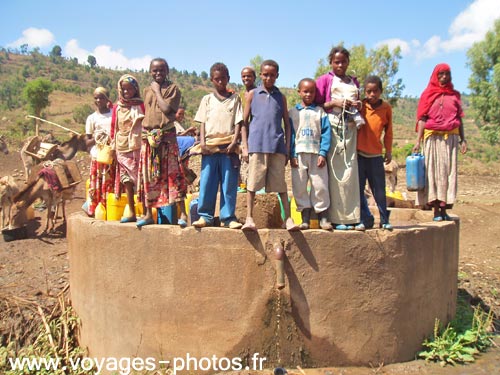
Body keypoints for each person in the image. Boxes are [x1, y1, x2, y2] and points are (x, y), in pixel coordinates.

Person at [241, 59, 298, 232]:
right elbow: (244, 123)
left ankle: (287, 219)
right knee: (252, 184)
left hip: (277, 147)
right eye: (265, 74)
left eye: (272, 75)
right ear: (260, 75)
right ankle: (249, 218)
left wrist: (287, 148)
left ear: (277, 76)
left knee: (280, 185)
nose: (268, 78)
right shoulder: (252, 95)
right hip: (257, 146)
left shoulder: (281, 97)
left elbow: (287, 125)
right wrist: (244, 146)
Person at [412, 63, 467, 221]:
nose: (444, 77)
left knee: (448, 173)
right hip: (432, 138)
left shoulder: (454, 95)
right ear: (435, 76)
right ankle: (436, 209)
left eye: (447, 74)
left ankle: (444, 208)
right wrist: (418, 141)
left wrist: (463, 139)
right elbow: (422, 118)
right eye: (441, 74)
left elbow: (459, 119)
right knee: (433, 173)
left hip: (450, 139)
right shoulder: (427, 94)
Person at [137, 57, 188, 228]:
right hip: (149, 139)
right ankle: (147, 214)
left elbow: (167, 110)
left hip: (167, 139)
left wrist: (157, 91)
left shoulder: (173, 89)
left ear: (167, 71)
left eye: (161, 70)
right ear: (150, 71)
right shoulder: (146, 91)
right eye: (154, 70)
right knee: (148, 176)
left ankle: (182, 213)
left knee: (174, 175)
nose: (158, 73)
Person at [191, 62, 243, 229]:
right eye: (217, 79)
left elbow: (238, 122)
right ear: (212, 80)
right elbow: (203, 122)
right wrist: (203, 143)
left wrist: (234, 142)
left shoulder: (235, 99)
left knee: (229, 183)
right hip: (210, 147)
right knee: (207, 181)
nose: (220, 82)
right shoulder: (207, 99)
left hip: (228, 147)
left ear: (228, 78)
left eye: (223, 78)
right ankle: (205, 216)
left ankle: (227, 217)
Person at [315, 46, 361, 230]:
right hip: (333, 127)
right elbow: (317, 103)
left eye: (343, 61)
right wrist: (335, 103)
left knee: (350, 173)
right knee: (334, 173)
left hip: (350, 128)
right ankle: (335, 218)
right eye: (336, 62)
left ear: (348, 62)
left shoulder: (354, 82)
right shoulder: (325, 80)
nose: (340, 65)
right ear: (331, 63)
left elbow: (360, 106)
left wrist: (357, 104)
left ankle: (351, 218)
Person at [289, 78, 332, 230]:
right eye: (305, 91)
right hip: (299, 155)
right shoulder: (292, 113)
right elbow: (291, 135)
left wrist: (323, 153)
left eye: (312, 92)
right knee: (299, 186)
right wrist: (291, 154)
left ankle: (323, 218)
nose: (309, 94)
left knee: (320, 185)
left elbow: (326, 133)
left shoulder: (320, 112)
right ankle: (305, 218)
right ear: (299, 92)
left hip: (316, 154)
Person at [356, 76, 393, 231]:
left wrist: (389, 150)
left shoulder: (386, 109)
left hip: (375, 156)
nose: (372, 95)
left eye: (375, 91)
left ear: (381, 91)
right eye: (369, 91)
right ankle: (364, 219)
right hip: (359, 155)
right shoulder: (360, 106)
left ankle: (384, 220)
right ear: (365, 92)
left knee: (379, 190)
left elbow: (389, 131)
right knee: (358, 190)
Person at [110, 75, 144, 223]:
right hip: (122, 146)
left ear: (135, 89)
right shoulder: (117, 107)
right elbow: (113, 126)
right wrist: (112, 145)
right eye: (124, 89)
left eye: (130, 88)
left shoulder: (140, 105)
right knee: (127, 180)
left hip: (137, 145)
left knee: (142, 179)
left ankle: (145, 210)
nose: (126, 92)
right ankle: (131, 210)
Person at [84, 87, 114, 217]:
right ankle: (95, 207)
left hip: (112, 154)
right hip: (98, 155)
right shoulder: (91, 118)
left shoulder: (114, 114)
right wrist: (98, 137)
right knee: (96, 182)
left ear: (107, 99)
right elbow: (87, 141)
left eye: (101, 97)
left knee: (110, 181)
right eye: (96, 98)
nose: (98, 100)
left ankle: (110, 207)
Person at [238, 66, 257, 193]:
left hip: (254, 135)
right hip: (243, 135)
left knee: (252, 166)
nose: (246, 78)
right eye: (244, 76)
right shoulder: (241, 95)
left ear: (255, 77)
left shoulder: (258, 93)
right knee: (242, 166)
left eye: (249, 76)